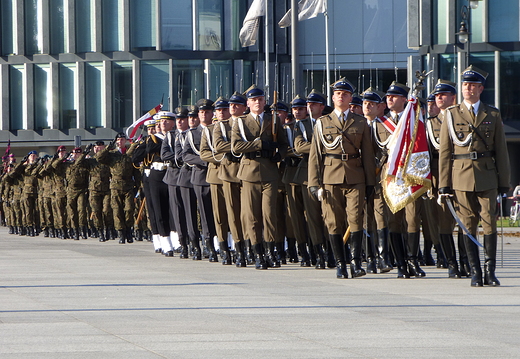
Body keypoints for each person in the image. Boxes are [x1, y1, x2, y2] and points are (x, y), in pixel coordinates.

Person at [439, 65, 511, 287]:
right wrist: (444, 185)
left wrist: (504, 182)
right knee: (467, 224)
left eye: (472, 85)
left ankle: (490, 271)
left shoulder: (492, 113)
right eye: (464, 85)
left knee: (489, 222)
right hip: (460, 176)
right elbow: (445, 152)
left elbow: (501, 150)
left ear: (481, 88)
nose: (467, 89)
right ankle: (475, 272)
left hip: (488, 175)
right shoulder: (451, 115)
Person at [308, 77, 376, 279]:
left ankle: (355, 262)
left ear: (350, 98)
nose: (341, 97)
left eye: (345, 94)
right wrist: (314, 183)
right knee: (334, 223)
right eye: (338, 94)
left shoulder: (360, 122)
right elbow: (315, 156)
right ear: (333, 97)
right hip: (330, 177)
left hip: (356, 177)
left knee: (355, 220)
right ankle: (340, 263)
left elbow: (368, 155)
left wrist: (371, 183)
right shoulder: (322, 123)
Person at [230, 84, 288, 269]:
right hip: (249, 171)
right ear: (248, 103)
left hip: (270, 171)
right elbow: (236, 147)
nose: (257, 103)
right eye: (254, 100)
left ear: (264, 102)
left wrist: (280, 154)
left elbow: (284, 144)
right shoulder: (240, 121)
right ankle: (258, 252)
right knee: (252, 216)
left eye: (260, 100)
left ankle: (271, 251)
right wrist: (259, 145)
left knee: (269, 214)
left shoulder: (273, 120)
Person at [213, 91, 249, 267]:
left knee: (249, 213)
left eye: (237, 105)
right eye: (231, 105)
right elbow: (218, 146)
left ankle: (251, 246)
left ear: (244, 107)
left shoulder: (249, 123)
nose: (233, 108)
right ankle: (239, 248)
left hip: (249, 171)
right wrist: (241, 147)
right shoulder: (221, 126)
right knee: (233, 214)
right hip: (229, 173)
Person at [361, 87, 393, 273]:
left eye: (371, 104)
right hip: (362, 177)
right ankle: (369, 258)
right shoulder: (358, 124)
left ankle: (383, 257)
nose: (367, 107)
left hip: (380, 177)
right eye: (365, 103)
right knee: (365, 218)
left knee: (381, 216)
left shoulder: (385, 126)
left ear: (379, 106)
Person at [183, 99, 218, 262]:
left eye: (207, 112)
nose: (204, 114)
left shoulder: (218, 129)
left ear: (212, 114)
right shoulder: (192, 134)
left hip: (218, 176)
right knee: (204, 213)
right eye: (202, 112)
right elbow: (186, 155)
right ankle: (208, 245)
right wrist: (205, 160)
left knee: (219, 212)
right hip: (201, 177)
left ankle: (222, 243)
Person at [200, 97, 232, 265]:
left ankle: (238, 244)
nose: (221, 112)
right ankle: (223, 247)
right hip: (216, 176)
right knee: (219, 214)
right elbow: (204, 153)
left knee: (236, 213)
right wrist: (224, 158)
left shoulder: (237, 126)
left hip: (235, 175)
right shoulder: (209, 130)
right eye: (218, 110)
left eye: (224, 110)